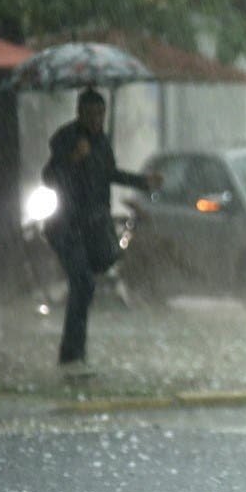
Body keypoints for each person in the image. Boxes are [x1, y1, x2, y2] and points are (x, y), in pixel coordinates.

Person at [42, 88, 161, 373]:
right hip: (66, 226)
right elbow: (49, 176)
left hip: (93, 227)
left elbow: (111, 173)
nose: (97, 120)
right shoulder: (66, 138)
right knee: (83, 283)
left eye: (101, 114)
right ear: (80, 113)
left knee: (87, 284)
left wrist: (144, 182)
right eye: (91, 114)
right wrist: (73, 158)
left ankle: (75, 353)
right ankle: (72, 356)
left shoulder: (102, 143)